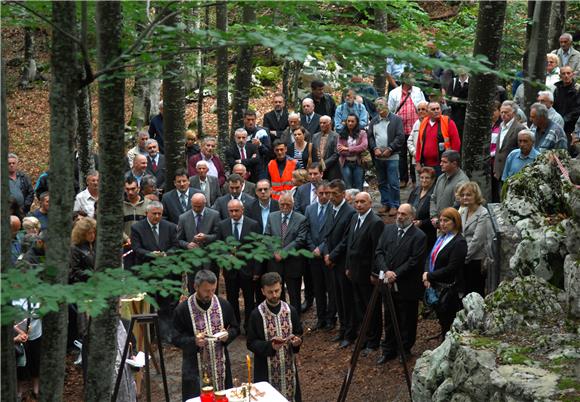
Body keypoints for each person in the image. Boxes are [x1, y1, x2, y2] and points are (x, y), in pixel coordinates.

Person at [173, 270, 239, 401]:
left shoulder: (223, 305)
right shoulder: (183, 309)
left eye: (213, 290)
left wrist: (228, 335)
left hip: (220, 364)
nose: (210, 294)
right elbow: (175, 338)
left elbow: (236, 328)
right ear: (196, 287)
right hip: (193, 366)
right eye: (206, 290)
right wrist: (193, 341)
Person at [375, 203, 426, 364]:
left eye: (403, 214)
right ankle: (389, 349)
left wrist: (395, 274)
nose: (399, 216)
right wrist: (386, 271)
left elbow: (414, 261)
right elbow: (379, 252)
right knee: (389, 317)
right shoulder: (388, 229)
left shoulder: (419, 236)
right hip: (388, 284)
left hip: (407, 285)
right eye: (398, 213)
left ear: (411, 217)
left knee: (407, 319)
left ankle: (405, 349)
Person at [247, 272, 303, 402]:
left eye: (277, 291)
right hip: (265, 369)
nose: (274, 295)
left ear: (281, 287)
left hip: (288, 367)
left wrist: (297, 342)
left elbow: (298, 332)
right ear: (263, 291)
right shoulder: (257, 314)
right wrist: (270, 346)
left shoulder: (290, 310)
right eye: (270, 292)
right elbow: (251, 343)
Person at [130, 201, 179, 341]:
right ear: (147, 213)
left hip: (165, 273)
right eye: (154, 214)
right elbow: (136, 248)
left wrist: (166, 254)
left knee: (165, 306)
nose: (157, 216)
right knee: (148, 305)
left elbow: (175, 246)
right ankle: (148, 336)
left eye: (159, 214)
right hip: (147, 273)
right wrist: (152, 254)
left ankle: (165, 335)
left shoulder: (169, 227)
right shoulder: (137, 228)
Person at [346, 192, 384, 354]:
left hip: (368, 274)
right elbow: (350, 244)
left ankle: (373, 341)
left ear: (370, 203)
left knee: (372, 308)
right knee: (359, 306)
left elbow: (377, 250)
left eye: (363, 202)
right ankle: (365, 337)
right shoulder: (355, 218)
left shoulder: (376, 222)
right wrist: (348, 266)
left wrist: (374, 273)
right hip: (354, 272)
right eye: (357, 202)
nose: (359, 205)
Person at [215, 199, 261, 330]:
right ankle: (234, 325)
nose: (234, 213)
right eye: (231, 211)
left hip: (248, 269)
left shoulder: (252, 225)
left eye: (236, 210)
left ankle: (249, 326)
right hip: (230, 271)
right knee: (232, 299)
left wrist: (257, 270)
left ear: (242, 210)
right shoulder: (222, 225)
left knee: (249, 300)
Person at [321, 179, 356, 345]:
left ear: (343, 194)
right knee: (336, 297)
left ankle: (350, 332)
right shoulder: (329, 209)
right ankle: (342, 329)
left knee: (346, 298)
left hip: (341, 262)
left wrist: (333, 256)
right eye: (329, 193)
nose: (331, 197)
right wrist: (327, 253)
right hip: (331, 262)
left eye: (335, 194)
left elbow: (346, 239)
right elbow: (327, 234)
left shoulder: (349, 213)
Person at [422, 207, 468, 336]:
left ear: (455, 222)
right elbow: (430, 257)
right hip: (435, 284)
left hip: (449, 289)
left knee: (448, 321)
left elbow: (452, 268)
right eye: (441, 220)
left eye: (446, 221)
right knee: (442, 320)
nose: (442, 224)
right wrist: (427, 276)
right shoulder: (442, 237)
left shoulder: (459, 242)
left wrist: (429, 276)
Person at [265, 192, 307, 315]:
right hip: (275, 263)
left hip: (293, 263)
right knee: (277, 294)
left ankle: (295, 320)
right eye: (282, 204)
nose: (284, 207)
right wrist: (275, 252)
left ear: (293, 204)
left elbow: (300, 240)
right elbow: (267, 236)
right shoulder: (272, 216)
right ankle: (280, 318)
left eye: (287, 204)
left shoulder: (301, 219)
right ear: (278, 204)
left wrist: (283, 252)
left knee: (294, 295)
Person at [368, 97, 405, 216]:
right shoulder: (374, 121)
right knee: (382, 182)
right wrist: (375, 148)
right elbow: (370, 137)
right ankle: (385, 203)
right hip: (378, 157)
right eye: (377, 106)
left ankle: (395, 205)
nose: (379, 108)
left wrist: (390, 148)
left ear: (387, 105)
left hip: (392, 156)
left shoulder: (396, 119)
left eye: (381, 105)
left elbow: (400, 137)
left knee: (393, 182)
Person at [387, 72, 426, 186]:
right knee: (401, 154)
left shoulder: (418, 91)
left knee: (415, 153)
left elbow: (424, 104)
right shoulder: (394, 93)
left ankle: (414, 179)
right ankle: (403, 179)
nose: (413, 80)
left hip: (415, 127)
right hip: (400, 127)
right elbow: (390, 109)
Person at [304, 181, 334, 330]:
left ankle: (331, 318)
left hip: (327, 255)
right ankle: (321, 318)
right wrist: (312, 247)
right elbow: (306, 230)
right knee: (318, 288)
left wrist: (321, 249)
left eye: (326, 193)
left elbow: (332, 234)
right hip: (313, 256)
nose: (323, 196)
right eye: (321, 193)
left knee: (330, 287)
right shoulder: (309, 209)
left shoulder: (333, 209)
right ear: (316, 193)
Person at [177, 193, 221, 292]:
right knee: (193, 289)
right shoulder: (183, 218)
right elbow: (178, 239)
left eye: (199, 206)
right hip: (192, 261)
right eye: (194, 206)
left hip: (210, 260)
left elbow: (218, 236)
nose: (196, 209)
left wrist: (206, 237)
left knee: (211, 289)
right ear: (191, 203)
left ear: (205, 203)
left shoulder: (214, 215)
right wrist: (187, 245)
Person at [456, 182, 492, 297]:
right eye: (462, 195)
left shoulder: (483, 213)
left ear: (476, 196)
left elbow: (478, 240)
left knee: (475, 290)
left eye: (468, 195)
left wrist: (464, 257)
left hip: (475, 259)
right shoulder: (463, 210)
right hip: (462, 257)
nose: (465, 197)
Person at [415, 101, 461, 176]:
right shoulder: (424, 123)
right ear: (427, 111)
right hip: (426, 164)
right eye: (433, 109)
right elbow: (419, 144)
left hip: (443, 165)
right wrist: (417, 162)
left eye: (438, 109)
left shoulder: (448, 122)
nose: (436, 111)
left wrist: (452, 162)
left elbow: (456, 143)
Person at [492, 101, 526, 198]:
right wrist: (496, 169)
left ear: (514, 113)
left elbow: (522, 150)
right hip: (499, 171)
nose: (503, 115)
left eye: (507, 112)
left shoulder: (519, 128)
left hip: (512, 171)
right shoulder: (501, 126)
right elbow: (499, 149)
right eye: (502, 112)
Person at [429, 150, 469, 224]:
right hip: (438, 222)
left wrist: (442, 220)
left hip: (451, 224)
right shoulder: (441, 177)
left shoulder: (462, 182)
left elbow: (458, 205)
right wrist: (434, 217)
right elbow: (433, 198)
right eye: (441, 161)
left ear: (454, 164)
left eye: (444, 162)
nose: (441, 164)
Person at [408, 166, 437, 250]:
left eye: (427, 178)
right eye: (422, 177)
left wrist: (421, 222)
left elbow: (435, 215)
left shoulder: (434, 194)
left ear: (433, 179)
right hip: (412, 228)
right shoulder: (416, 190)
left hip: (427, 233)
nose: (424, 180)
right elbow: (408, 205)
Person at [338, 114, 368, 191]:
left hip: (358, 163)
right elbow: (340, 150)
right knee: (348, 187)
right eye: (348, 121)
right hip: (345, 163)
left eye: (352, 121)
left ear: (356, 122)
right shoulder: (342, 134)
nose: (350, 123)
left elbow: (364, 146)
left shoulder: (362, 133)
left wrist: (348, 149)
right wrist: (356, 150)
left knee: (359, 187)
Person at [312, 115, 342, 181]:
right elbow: (313, 151)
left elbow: (336, 153)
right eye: (320, 123)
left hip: (332, 168)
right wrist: (318, 165)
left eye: (324, 123)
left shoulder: (336, 136)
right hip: (318, 169)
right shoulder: (315, 136)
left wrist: (324, 164)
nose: (322, 125)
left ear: (330, 123)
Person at [553, 66, 580, 136]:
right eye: (563, 74)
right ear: (560, 76)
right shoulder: (557, 90)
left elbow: (577, 110)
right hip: (558, 125)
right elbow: (554, 107)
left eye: (568, 73)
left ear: (572, 74)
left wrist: (563, 120)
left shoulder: (577, 90)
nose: (566, 76)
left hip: (572, 127)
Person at [408, 100, 430, 186]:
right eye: (419, 109)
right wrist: (414, 152)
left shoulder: (432, 123)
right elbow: (409, 140)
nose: (421, 111)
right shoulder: (416, 124)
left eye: (423, 109)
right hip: (417, 160)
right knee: (419, 185)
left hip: (429, 161)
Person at [122, 177, 149, 241]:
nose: (130, 192)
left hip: (144, 242)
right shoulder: (120, 205)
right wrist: (126, 238)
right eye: (127, 189)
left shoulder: (148, 204)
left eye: (133, 189)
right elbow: (117, 226)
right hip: (126, 243)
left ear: (138, 188)